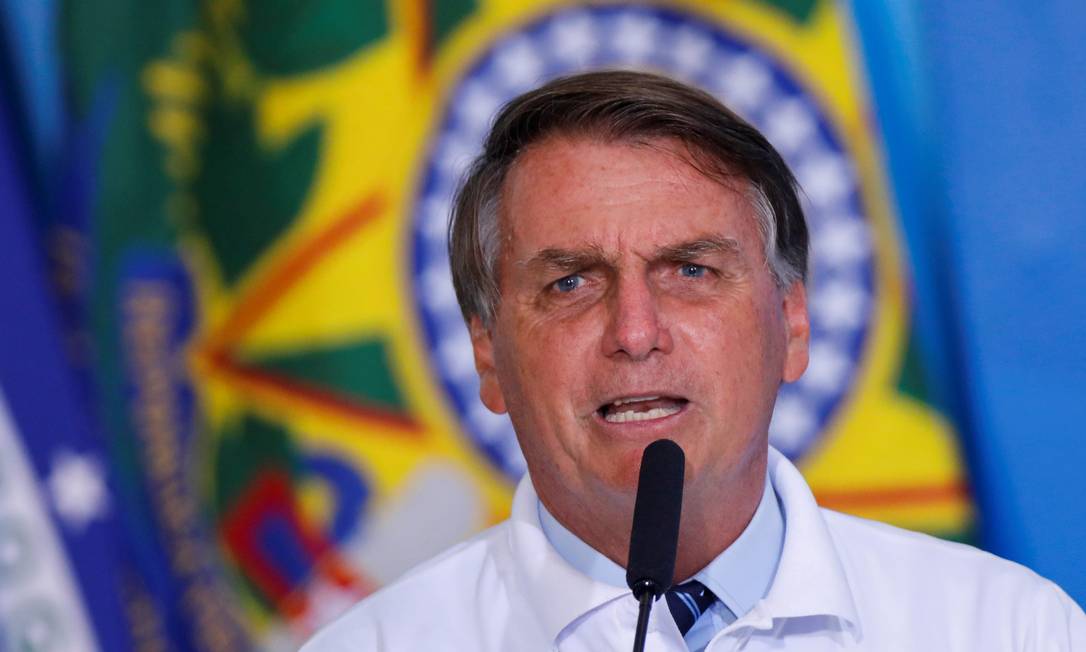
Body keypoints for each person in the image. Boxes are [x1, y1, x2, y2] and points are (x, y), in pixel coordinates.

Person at [302, 71, 1085, 651]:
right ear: (488, 354)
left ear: (793, 319)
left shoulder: (1006, 628)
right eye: (571, 282)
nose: (636, 332)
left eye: (691, 271)